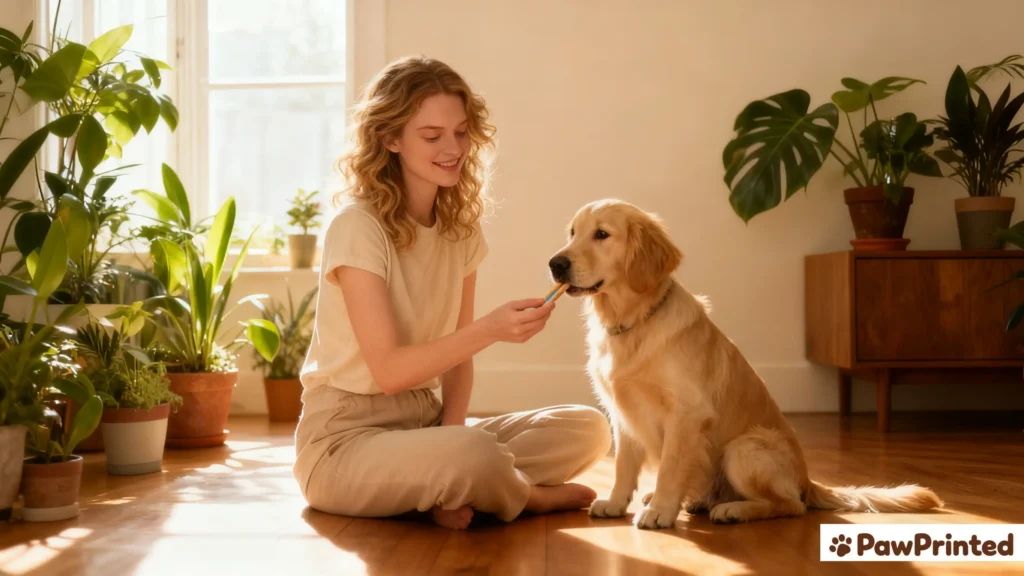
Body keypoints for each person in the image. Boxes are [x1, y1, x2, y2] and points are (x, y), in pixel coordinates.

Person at [292, 55, 612, 530]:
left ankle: (448, 487)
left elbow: (457, 360)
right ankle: (524, 497)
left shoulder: (460, 230)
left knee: (588, 426)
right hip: (343, 442)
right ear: (390, 138)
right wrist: (490, 330)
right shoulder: (357, 228)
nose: (452, 148)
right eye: (431, 135)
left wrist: (447, 435)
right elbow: (390, 371)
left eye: (461, 132)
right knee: (474, 454)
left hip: (425, 425)